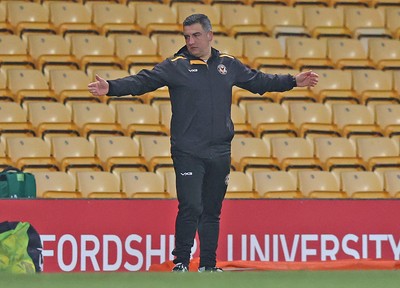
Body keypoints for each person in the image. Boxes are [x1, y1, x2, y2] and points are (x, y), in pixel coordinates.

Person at [88, 14, 319, 272]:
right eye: (187, 36)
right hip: (188, 150)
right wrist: (111, 87)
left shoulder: (228, 65)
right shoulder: (176, 65)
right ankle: (181, 263)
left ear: (210, 35)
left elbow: (259, 81)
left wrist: (293, 81)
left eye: (196, 35)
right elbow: (143, 81)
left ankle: (209, 265)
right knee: (191, 206)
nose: (191, 41)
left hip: (220, 149)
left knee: (212, 210)